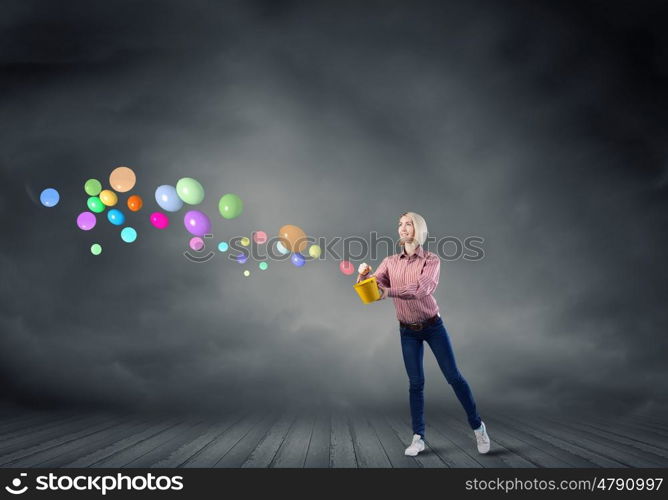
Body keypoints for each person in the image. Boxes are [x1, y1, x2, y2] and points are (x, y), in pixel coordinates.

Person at [357, 212, 490, 457]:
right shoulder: (389, 262)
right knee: (416, 384)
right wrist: (364, 276)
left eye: (408, 224)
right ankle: (418, 437)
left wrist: (388, 291)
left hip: (432, 326)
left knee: (453, 377)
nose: (402, 228)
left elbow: (421, 288)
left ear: (418, 229)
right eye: (400, 224)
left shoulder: (431, 260)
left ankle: (477, 426)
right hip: (407, 332)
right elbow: (372, 292)